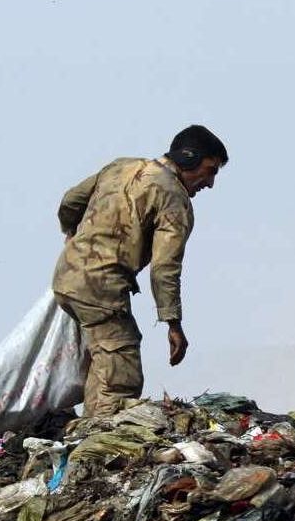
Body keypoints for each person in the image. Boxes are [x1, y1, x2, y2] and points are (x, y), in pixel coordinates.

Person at [51, 124, 228, 417]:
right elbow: (164, 267)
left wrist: (72, 234)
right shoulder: (174, 199)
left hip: (66, 277)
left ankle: (84, 433)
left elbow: (70, 201)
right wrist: (172, 322)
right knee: (122, 377)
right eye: (210, 170)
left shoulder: (121, 167)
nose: (209, 183)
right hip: (101, 288)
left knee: (106, 361)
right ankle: (97, 442)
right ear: (189, 158)